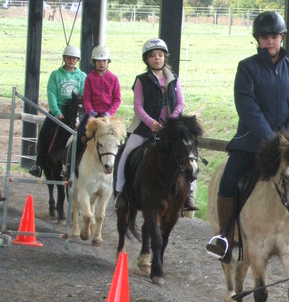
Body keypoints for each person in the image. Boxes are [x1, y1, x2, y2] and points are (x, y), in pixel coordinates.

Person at [206, 10, 289, 262]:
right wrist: (271, 140)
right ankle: (225, 237)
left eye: (274, 36)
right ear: (257, 40)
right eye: (264, 37)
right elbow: (247, 107)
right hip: (252, 142)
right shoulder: (247, 68)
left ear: (282, 37)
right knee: (229, 180)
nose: (269, 41)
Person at [114, 38, 192, 210]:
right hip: (145, 127)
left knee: (187, 151)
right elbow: (138, 106)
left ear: (165, 57)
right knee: (126, 152)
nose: (157, 58)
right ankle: (120, 191)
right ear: (147, 60)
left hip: (170, 128)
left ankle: (189, 192)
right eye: (152, 56)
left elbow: (181, 103)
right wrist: (151, 123)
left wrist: (173, 120)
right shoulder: (141, 80)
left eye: (160, 55)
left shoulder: (174, 78)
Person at [63, 45, 121, 178]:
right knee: (77, 138)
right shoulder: (89, 78)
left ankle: (118, 172)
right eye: (99, 61)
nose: (102, 63)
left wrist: (109, 113)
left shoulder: (114, 79)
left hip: (108, 117)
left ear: (108, 62)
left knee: (119, 141)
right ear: (94, 62)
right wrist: (90, 111)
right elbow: (87, 98)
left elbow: (117, 100)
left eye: (104, 61)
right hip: (92, 117)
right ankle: (69, 166)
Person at [29, 44, 86, 177]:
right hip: (59, 112)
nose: (71, 60)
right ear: (64, 58)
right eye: (69, 57)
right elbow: (52, 93)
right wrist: (55, 111)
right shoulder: (55, 75)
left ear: (77, 60)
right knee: (44, 133)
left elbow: (83, 96)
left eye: (74, 58)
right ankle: (39, 164)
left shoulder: (82, 76)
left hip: (75, 112)